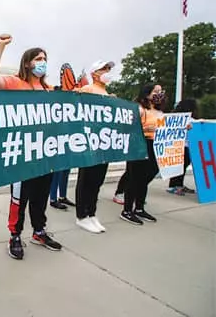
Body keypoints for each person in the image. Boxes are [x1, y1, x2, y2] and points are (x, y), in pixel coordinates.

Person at [0, 34, 62, 260]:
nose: (43, 61)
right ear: (28, 63)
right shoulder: (15, 83)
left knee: (41, 197)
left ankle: (39, 231)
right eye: (38, 58)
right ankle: (15, 235)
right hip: (22, 155)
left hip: (46, 154)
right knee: (20, 198)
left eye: (45, 58)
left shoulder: (49, 89)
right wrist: (0, 46)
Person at [73, 60, 116, 233]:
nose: (107, 71)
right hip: (90, 142)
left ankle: (91, 213)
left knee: (98, 180)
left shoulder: (106, 92)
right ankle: (81, 215)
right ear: (94, 73)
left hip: (104, 143)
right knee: (87, 179)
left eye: (109, 68)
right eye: (104, 68)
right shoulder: (88, 90)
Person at [121, 84, 165, 225]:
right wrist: (145, 127)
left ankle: (139, 208)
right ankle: (127, 210)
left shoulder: (160, 112)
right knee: (135, 177)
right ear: (147, 95)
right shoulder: (139, 109)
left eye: (160, 91)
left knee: (148, 174)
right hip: (139, 145)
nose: (159, 94)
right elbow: (128, 126)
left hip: (155, 146)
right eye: (155, 92)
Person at [166, 99, 198, 196]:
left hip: (186, 146)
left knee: (182, 167)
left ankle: (179, 184)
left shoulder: (182, 118)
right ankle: (173, 186)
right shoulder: (183, 119)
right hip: (181, 146)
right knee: (180, 167)